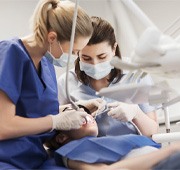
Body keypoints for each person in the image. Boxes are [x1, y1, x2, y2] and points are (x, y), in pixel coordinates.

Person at [0, 0, 104, 169]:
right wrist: (56, 121)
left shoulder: (46, 64)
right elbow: (3, 126)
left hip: (34, 159)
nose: (75, 57)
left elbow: (33, 112)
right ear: (52, 38)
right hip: (7, 159)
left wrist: (79, 107)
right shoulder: (11, 53)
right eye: (75, 51)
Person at [58, 16, 159, 137]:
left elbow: (152, 132)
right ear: (77, 52)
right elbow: (55, 127)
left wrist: (136, 112)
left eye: (102, 57)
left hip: (133, 148)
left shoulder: (136, 75)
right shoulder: (66, 83)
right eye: (86, 58)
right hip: (89, 151)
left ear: (114, 49)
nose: (95, 64)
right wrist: (78, 109)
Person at [45, 114, 180, 170]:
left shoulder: (99, 141)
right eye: (71, 113)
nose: (82, 113)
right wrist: (170, 150)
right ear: (61, 137)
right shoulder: (68, 152)